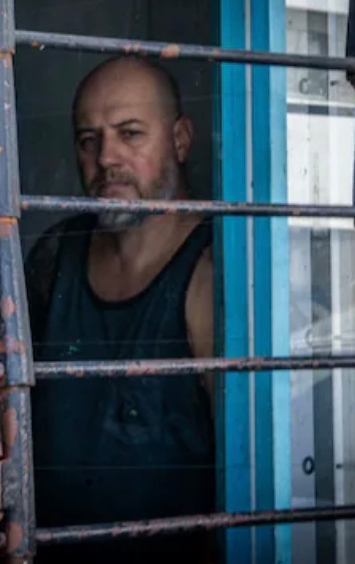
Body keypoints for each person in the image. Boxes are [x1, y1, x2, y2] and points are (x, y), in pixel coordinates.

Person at [25, 56, 216, 562]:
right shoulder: (53, 258)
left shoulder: (210, 271)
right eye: (89, 140)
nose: (106, 157)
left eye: (130, 134)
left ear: (179, 139)